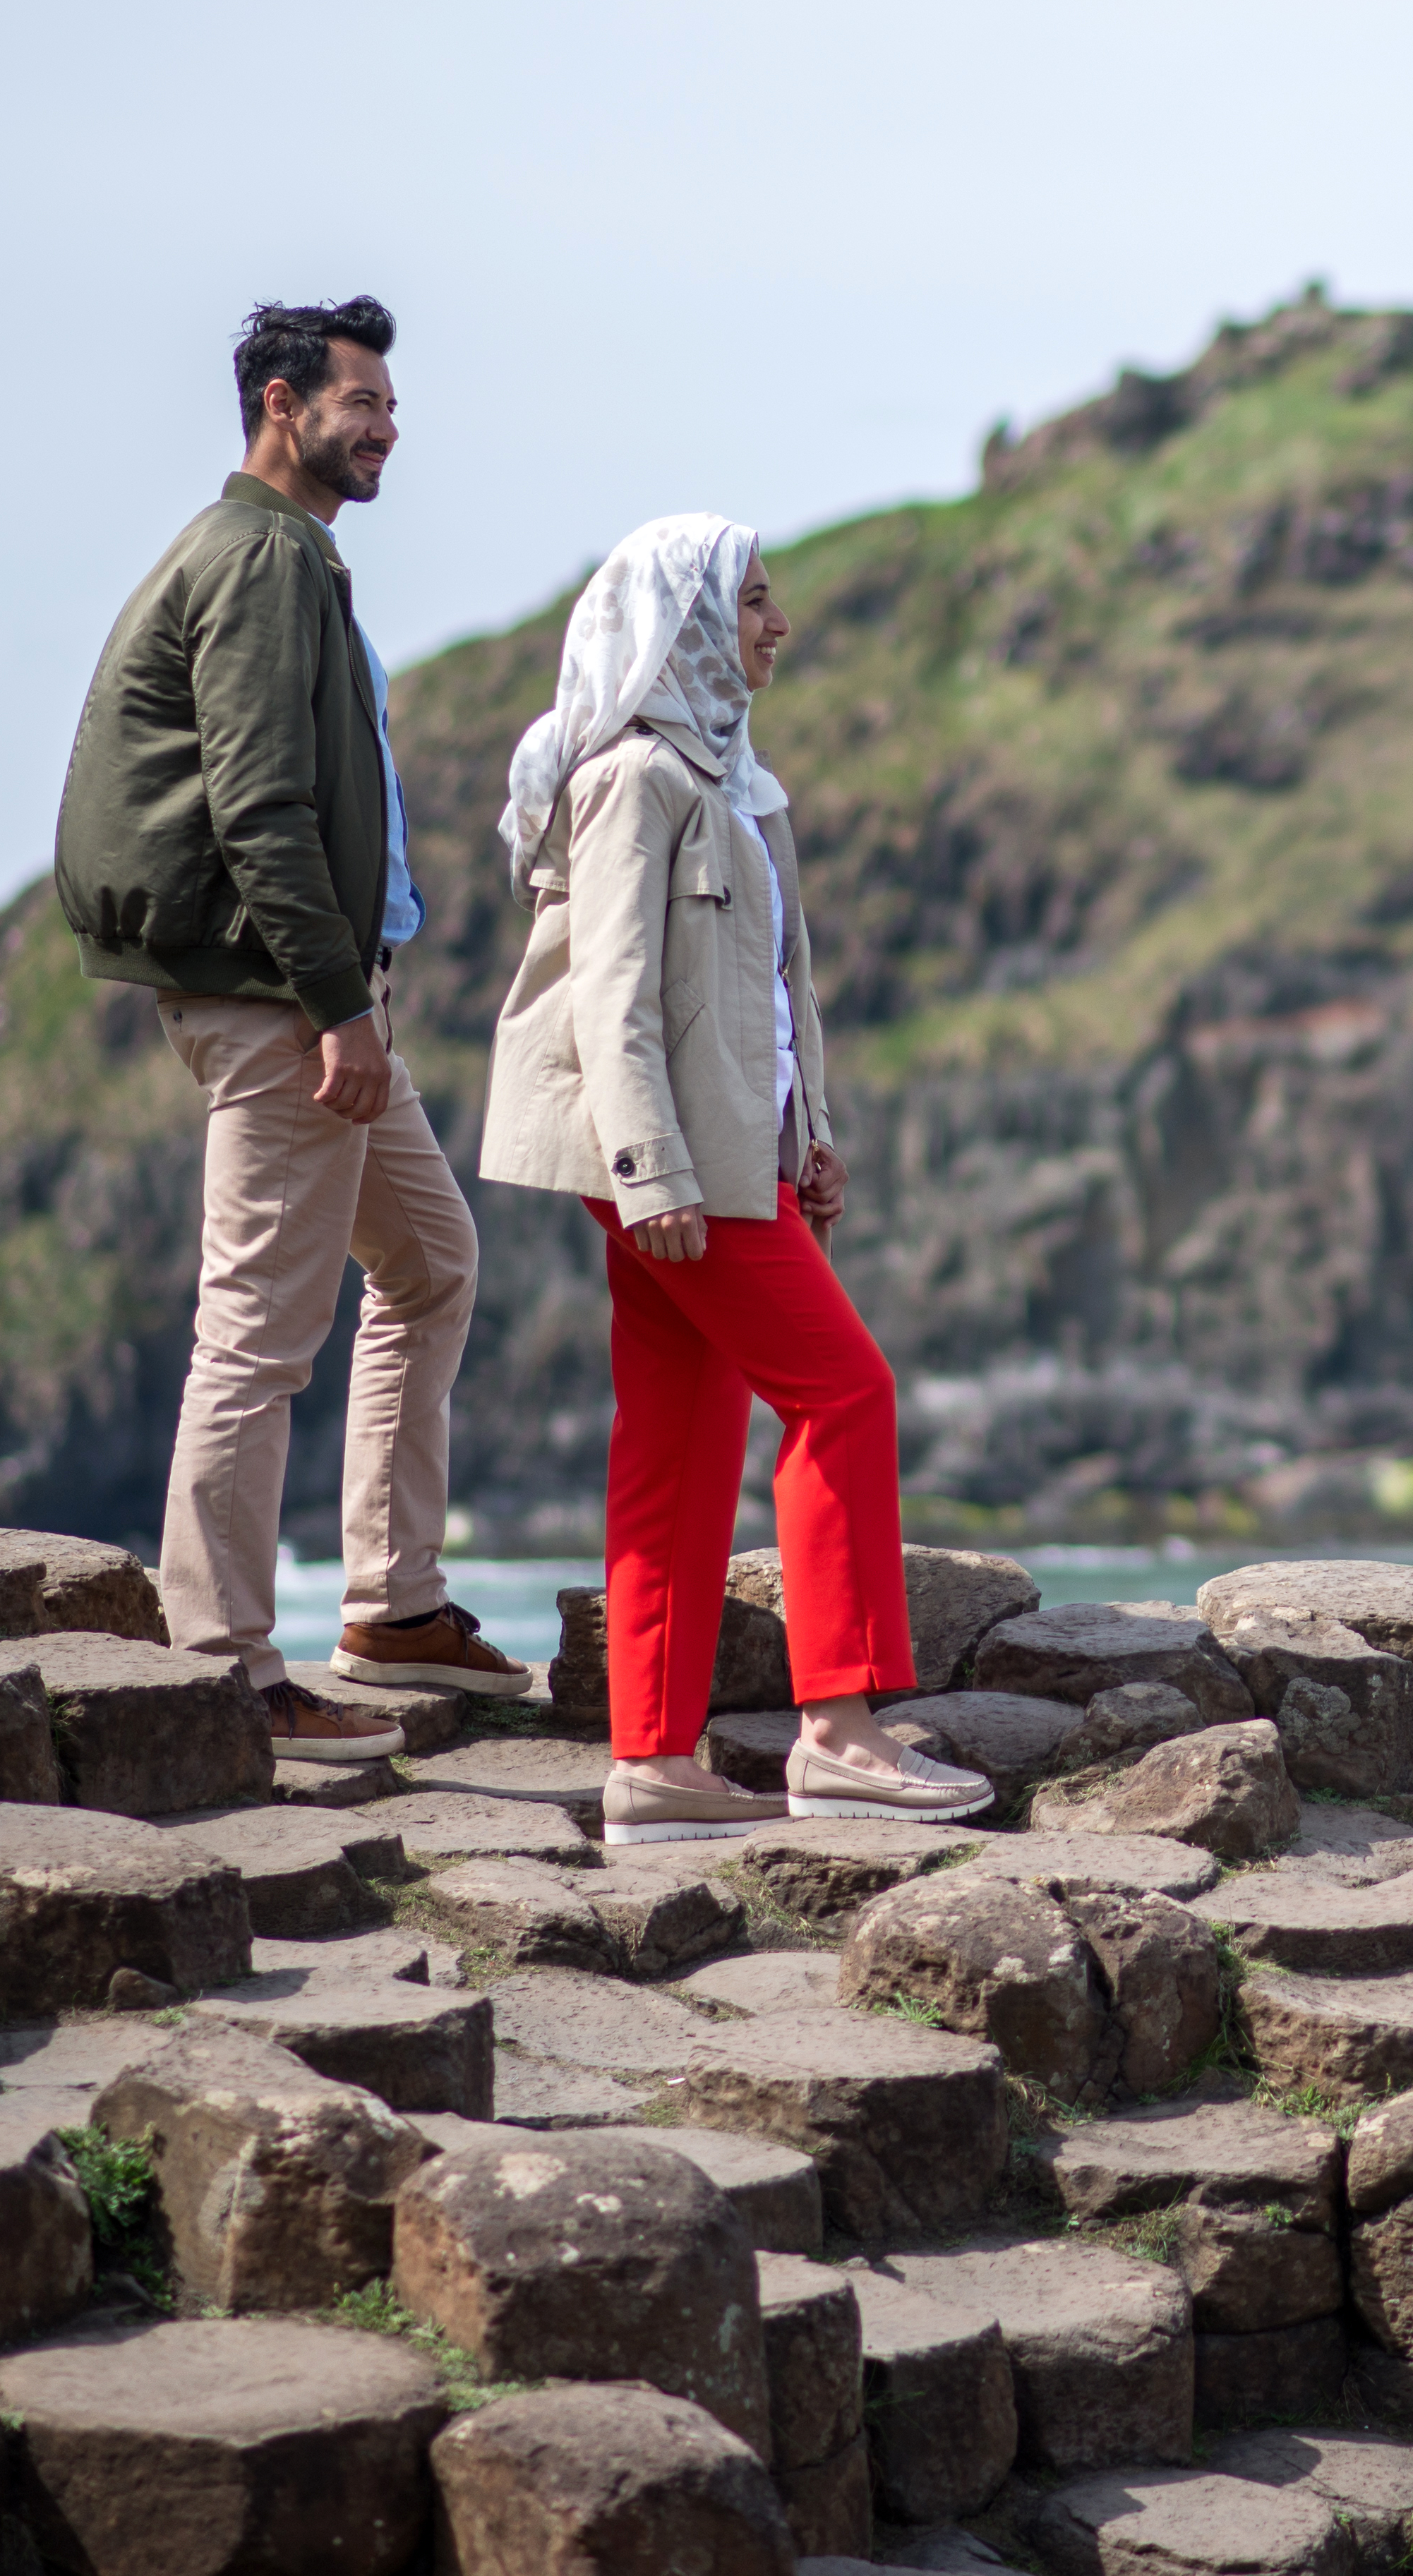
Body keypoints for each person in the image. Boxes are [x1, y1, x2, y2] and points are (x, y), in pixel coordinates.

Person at [53, 296, 529, 1755]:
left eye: (390, 406)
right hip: (283, 1003)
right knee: (257, 1330)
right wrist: (335, 1007)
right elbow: (259, 803)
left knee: (431, 1259)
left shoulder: (288, 555)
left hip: (318, 995)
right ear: (281, 403)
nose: (387, 429)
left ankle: (392, 1604)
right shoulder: (259, 559)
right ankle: (224, 1663)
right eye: (362, 402)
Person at [478, 514, 989, 1842]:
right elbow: (614, 998)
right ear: (687, 620)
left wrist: (804, 1132)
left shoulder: (735, 780)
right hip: (671, 1170)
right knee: (846, 1393)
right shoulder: (634, 778)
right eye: (754, 599)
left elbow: (767, 995)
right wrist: (652, 1171)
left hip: (724, 1163)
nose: (779, 623)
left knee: (681, 1437)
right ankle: (842, 1734)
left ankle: (653, 1763)